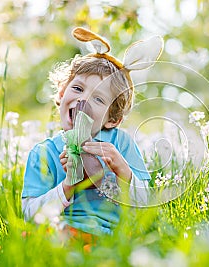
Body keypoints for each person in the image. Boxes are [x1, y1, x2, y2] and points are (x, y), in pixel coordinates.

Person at [21, 27, 163, 241]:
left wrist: (123, 170)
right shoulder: (44, 153)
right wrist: (69, 185)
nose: (83, 101)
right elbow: (30, 214)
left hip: (111, 238)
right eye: (78, 89)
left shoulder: (121, 144)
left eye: (98, 99)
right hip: (59, 232)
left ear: (113, 119)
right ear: (61, 93)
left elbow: (146, 205)